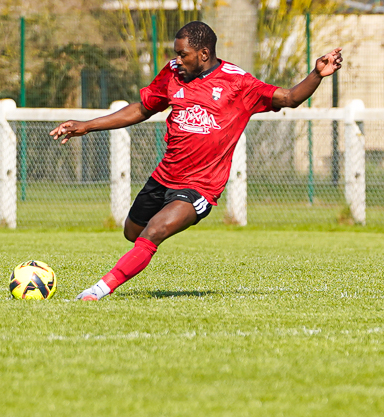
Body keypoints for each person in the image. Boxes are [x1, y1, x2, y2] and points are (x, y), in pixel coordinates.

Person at [50, 21, 343, 301]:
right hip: (164, 176)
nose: (177, 60)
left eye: (183, 54)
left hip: (200, 186)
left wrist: (316, 74)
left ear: (204, 54)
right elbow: (142, 109)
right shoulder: (173, 73)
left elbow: (290, 97)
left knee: (155, 232)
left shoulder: (237, 83)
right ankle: (144, 246)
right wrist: (86, 125)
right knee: (133, 232)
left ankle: (98, 290)